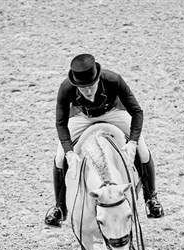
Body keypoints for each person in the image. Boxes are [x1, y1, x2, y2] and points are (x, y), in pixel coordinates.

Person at [45, 53, 164, 227]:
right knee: (59, 157)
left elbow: (137, 112)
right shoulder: (65, 88)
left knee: (143, 151)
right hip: (82, 117)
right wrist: (69, 152)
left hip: (113, 113)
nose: (88, 91)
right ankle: (60, 208)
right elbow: (60, 122)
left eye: (91, 85)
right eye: (82, 87)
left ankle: (151, 198)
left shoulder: (114, 80)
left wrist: (132, 142)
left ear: (98, 78)